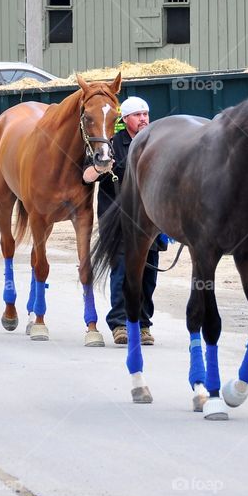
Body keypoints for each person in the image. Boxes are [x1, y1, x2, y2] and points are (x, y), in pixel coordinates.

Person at [84, 96, 163, 346]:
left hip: (149, 220)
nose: (143, 119)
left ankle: (143, 324)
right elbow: (86, 177)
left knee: (149, 274)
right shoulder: (111, 144)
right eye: (137, 115)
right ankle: (119, 324)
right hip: (117, 220)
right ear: (125, 119)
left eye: (145, 114)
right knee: (121, 272)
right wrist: (101, 168)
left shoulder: (157, 141)